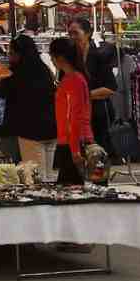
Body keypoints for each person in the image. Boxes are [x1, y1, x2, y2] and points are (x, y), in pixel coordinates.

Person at [0, 35, 57, 177]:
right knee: (49, 175)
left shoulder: (16, 72)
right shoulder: (44, 69)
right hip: (50, 128)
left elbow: (0, 91)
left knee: (34, 175)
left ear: (19, 53)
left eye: (11, 53)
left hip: (28, 131)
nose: (9, 56)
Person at [68, 17, 118, 158]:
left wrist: (84, 95)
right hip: (76, 114)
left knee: (98, 156)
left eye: (76, 33)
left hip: (98, 113)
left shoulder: (99, 55)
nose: (72, 37)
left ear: (88, 33)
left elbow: (111, 88)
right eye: (70, 33)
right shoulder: (70, 57)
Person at [49, 37, 92, 185]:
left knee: (72, 189)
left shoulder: (74, 80)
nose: (51, 60)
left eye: (52, 56)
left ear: (59, 57)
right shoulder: (72, 79)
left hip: (74, 142)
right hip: (71, 141)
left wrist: (75, 150)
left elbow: (75, 117)